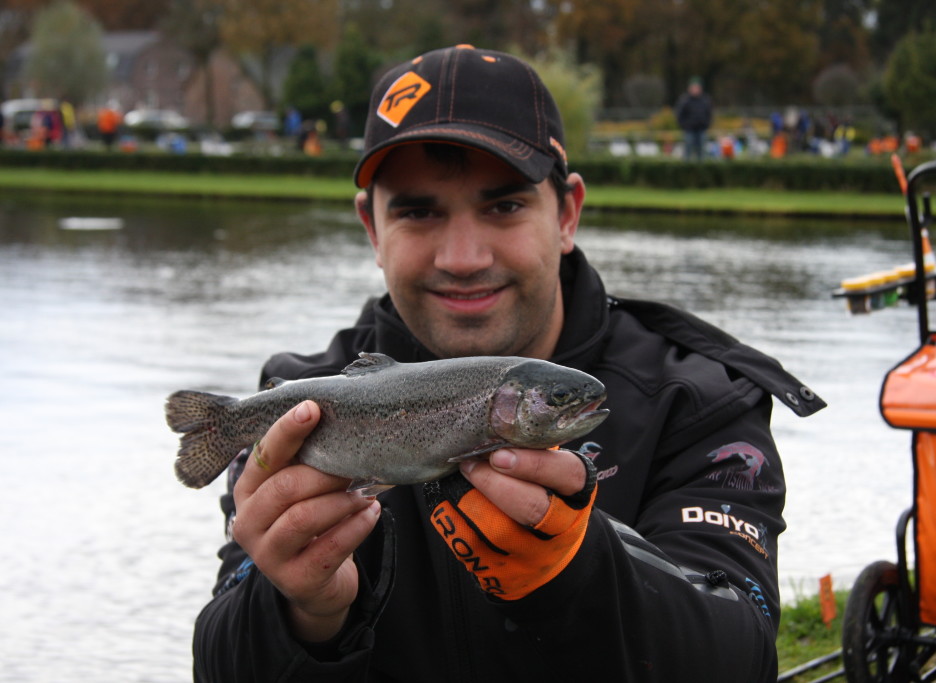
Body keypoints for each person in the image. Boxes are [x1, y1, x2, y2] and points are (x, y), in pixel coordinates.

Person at [191, 45, 825, 682]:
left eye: (504, 206)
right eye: (418, 211)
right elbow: (218, 667)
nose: (463, 257)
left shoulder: (700, 401)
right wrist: (303, 612)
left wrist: (584, 573)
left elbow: (742, 659)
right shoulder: (299, 404)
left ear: (567, 212)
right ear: (372, 230)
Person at [674, 77, 713, 161]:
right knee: (687, 152)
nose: (695, 90)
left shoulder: (705, 100)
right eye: (694, 87)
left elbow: (709, 114)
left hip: (701, 129)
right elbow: (679, 115)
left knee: (702, 152)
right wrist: (684, 126)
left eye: (697, 87)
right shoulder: (684, 100)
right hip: (689, 130)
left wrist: (706, 124)